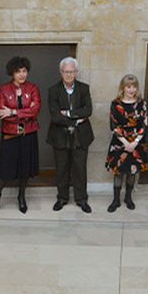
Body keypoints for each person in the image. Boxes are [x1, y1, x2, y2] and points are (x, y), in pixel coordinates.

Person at [0, 56, 41, 217]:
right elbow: (2, 114)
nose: (22, 75)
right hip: (10, 134)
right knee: (5, 168)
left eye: (24, 71)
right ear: (12, 73)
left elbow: (36, 110)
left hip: (29, 134)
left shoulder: (33, 88)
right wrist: (25, 112)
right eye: (18, 71)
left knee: (25, 168)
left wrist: (13, 111)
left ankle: (21, 196)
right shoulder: (4, 89)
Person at [47, 57, 94, 214]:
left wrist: (67, 113)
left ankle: (81, 199)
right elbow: (54, 115)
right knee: (62, 168)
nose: (69, 75)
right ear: (61, 72)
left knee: (80, 168)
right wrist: (75, 119)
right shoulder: (53, 90)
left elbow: (88, 111)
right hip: (59, 136)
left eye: (72, 71)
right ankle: (62, 198)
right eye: (66, 72)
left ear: (76, 72)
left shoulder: (84, 88)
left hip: (81, 136)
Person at [107, 74, 148, 212]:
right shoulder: (115, 104)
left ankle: (128, 198)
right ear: (123, 88)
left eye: (134, 87)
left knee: (132, 172)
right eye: (128, 87)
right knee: (118, 172)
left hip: (137, 144)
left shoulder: (142, 103)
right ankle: (116, 200)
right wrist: (126, 143)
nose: (131, 90)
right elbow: (113, 125)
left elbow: (144, 125)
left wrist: (135, 143)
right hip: (120, 142)